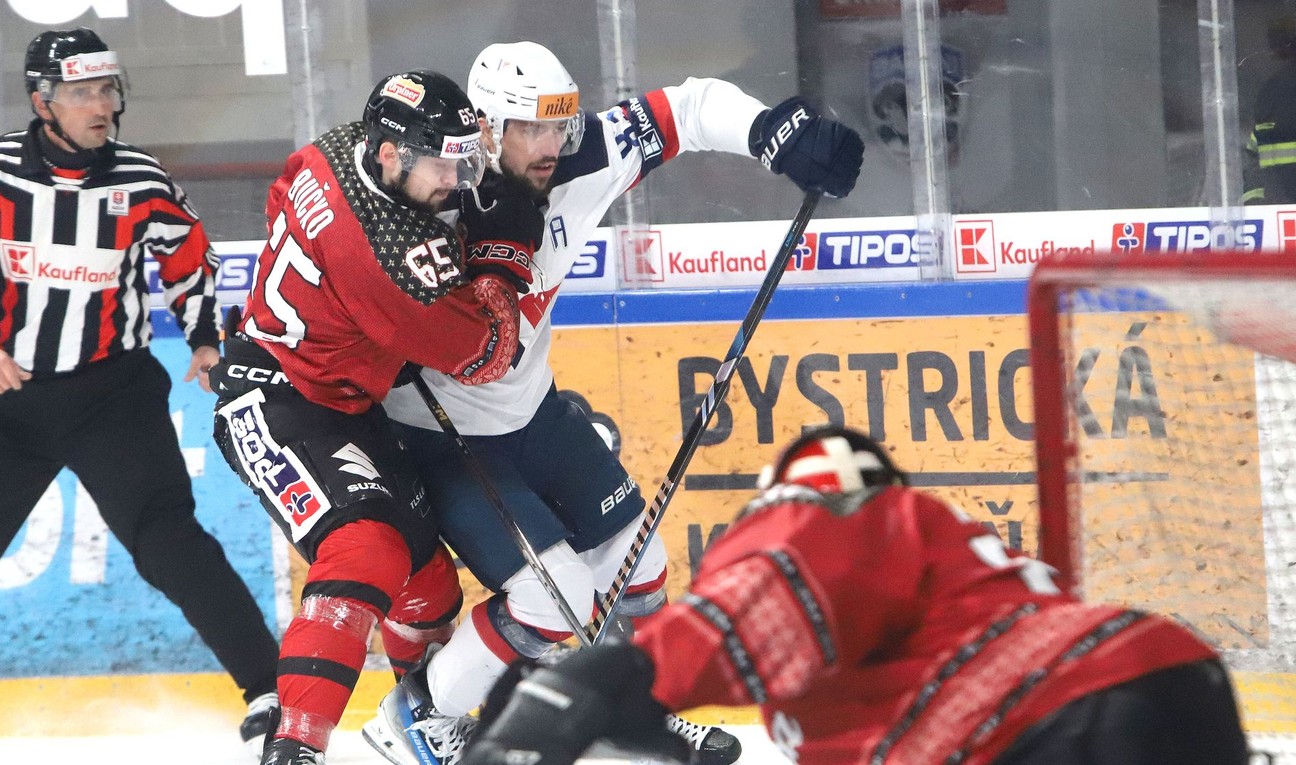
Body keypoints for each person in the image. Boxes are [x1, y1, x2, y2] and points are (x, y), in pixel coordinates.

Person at [363, 40, 865, 765]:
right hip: (443, 439)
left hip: (533, 414)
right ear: (487, 125)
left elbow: (688, 107)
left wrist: (772, 133)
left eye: (558, 124)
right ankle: (417, 715)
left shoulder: (579, 156)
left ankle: (633, 710)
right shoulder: (433, 192)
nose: (551, 144)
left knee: (639, 561)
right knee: (551, 593)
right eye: (532, 127)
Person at [460, 425, 1251, 765]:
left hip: (1060, 728)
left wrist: (605, 678)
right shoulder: (950, 549)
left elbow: (767, 594)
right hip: (1165, 672)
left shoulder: (819, 512)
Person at [0, 26, 282, 754]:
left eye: (107, 89)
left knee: (169, 543)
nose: (101, 105)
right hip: (10, 403)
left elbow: (190, 260)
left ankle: (271, 690)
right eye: (82, 92)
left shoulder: (139, 179)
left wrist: (204, 338)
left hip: (111, 398)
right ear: (43, 101)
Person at [211, 68, 523, 765]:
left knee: (429, 588)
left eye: (463, 154)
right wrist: (504, 260)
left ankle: (422, 726)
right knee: (367, 547)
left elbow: (279, 203)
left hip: (342, 403)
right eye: (444, 160)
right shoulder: (390, 257)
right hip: (271, 398)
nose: (457, 176)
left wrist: (345, 323)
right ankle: (294, 748)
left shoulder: (335, 148)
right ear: (392, 155)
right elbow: (486, 352)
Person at [1243, 17, 1296, 204]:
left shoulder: (1270, 93)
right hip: (1279, 217)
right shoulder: (1271, 93)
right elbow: (1253, 159)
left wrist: (1255, 207)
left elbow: (1252, 159)